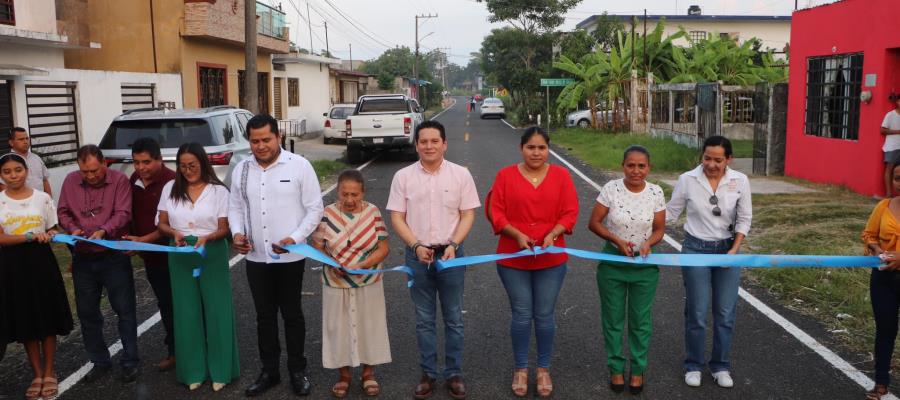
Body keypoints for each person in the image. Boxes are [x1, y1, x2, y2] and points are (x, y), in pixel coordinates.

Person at [228, 114, 324, 397]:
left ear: (278, 137)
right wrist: (236, 233)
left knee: (292, 314)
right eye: (255, 141)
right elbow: (234, 206)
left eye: (266, 139)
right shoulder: (241, 170)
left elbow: (315, 208)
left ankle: (297, 370)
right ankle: (269, 371)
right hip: (256, 257)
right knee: (264, 316)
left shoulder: (299, 166)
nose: (261, 146)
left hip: (290, 257)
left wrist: (294, 239)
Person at [387, 120, 479, 400]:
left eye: (434, 141)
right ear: (416, 145)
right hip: (418, 256)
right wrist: (414, 246)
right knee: (424, 319)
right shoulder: (403, 177)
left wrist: (454, 244)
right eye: (423, 141)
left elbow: (467, 214)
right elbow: (397, 217)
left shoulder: (460, 175)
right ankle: (428, 373)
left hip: (451, 256)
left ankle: (454, 373)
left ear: (444, 144)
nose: (429, 146)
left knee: (454, 318)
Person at [487, 126, 578, 398]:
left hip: (551, 257)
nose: (536, 152)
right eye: (531, 147)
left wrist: (553, 233)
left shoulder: (562, 176)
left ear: (548, 149)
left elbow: (570, 211)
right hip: (512, 257)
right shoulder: (505, 176)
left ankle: (543, 369)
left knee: (545, 314)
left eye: (541, 147)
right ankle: (520, 369)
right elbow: (496, 212)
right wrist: (516, 234)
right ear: (521, 149)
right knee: (522, 313)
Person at [666, 135, 752, 389]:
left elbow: (745, 218)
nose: (711, 164)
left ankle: (720, 365)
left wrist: (734, 251)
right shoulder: (687, 180)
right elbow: (670, 213)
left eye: (718, 160)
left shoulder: (740, 181)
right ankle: (693, 364)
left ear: (728, 160)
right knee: (697, 311)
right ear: (701, 156)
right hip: (695, 249)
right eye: (707, 158)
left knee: (725, 313)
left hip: (727, 250)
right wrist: (640, 219)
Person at [158, 143, 239, 391]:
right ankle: (193, 370)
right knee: (186, 311)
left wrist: (209, 238)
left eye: (192, 165)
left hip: (211, 251)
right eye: (182, 166)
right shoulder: (170, 188)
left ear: (203, 163)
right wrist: (174, 232)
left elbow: (225, 228)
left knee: (217, 310)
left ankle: (222, 370)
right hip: (180, 252)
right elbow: (161, 223)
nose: (187, 170)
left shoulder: (218, 192)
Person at [588, 145, 666, 395]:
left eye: (641, 166)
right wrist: (616, 241)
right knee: (613, 320)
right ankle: (616, 368)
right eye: (630, 165)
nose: (636, 170)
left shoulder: (656, 191)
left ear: (648, 168)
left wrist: (648, 244)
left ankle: (638, 369)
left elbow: (659, 229)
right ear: (623, 166)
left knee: (640, 321)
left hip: (644, 265)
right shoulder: (611, 189)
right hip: (613, 262)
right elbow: (594, 223)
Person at [57, 145, 139, 383]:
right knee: (87, 312)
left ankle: (130, 361)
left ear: (104, 163)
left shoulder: (120, 180)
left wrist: (104, 230)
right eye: (85, 172)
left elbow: (124, 212)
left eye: (94, 170)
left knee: (124, 310)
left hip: (113, 255)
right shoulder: (70, 182)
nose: (91, 176)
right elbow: (62, 212)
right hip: (83, 257)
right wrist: (73, 229)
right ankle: (99, 361)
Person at [311, 169, 391, 398]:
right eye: (344, 194)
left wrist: (366, 264)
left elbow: (384, 247)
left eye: (354, 194)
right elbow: (317, 246)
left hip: (368, 279)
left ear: (363, 192)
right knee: (338, 327)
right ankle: (344, 375)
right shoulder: (327, 214)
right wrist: (330, 262)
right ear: (337, 191)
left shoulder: (373, 212)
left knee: (370, 325)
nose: (349, 199)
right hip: (335, 279)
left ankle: (368, 374)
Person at [0, 153, 73, 399]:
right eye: (7, 171)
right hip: (12, 267)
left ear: (25, 171)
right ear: (2, 175)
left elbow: (52, 227)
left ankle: (50, 371)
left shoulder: (42, 198)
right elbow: (1, 238)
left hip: (42, 264)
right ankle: (37, 373)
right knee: (26, 319)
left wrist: (49, 233)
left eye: (17, 170)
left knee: (46, 317)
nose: (13, 176)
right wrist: (30, 236)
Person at [122, 137, 177, 371]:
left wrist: (144, 241)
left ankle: (187, 349)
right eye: (136, 162)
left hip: (173, 256)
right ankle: (174, 350)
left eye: (146, 162)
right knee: (165, 304)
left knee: (181, 305)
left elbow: (172, 223)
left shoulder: (173, 182)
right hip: (151, 259)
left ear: (160, 159)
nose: (141, 168)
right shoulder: (134, 179)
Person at [862, 158, 900, 399]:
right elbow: (869, 234)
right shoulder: (884, 205)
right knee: (885, 331)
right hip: (884, 279)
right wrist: (877, 251)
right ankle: (881, 383)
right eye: (897, 177)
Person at [0, 127, 52, 195]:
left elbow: (45, 181)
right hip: (19, 203)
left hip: (40, 202)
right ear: (11, 142)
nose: (25, 142)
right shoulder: (5, 161)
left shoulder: (36, 158)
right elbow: (3, 186)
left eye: (27, 138)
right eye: (21, 139)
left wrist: (49, 201)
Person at [881, 94, 900, 198]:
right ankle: (889, 194)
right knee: (890, 169)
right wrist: (898, 131)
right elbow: (882, 130)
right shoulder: (890, 115)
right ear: (897, 102)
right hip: (892, 146)